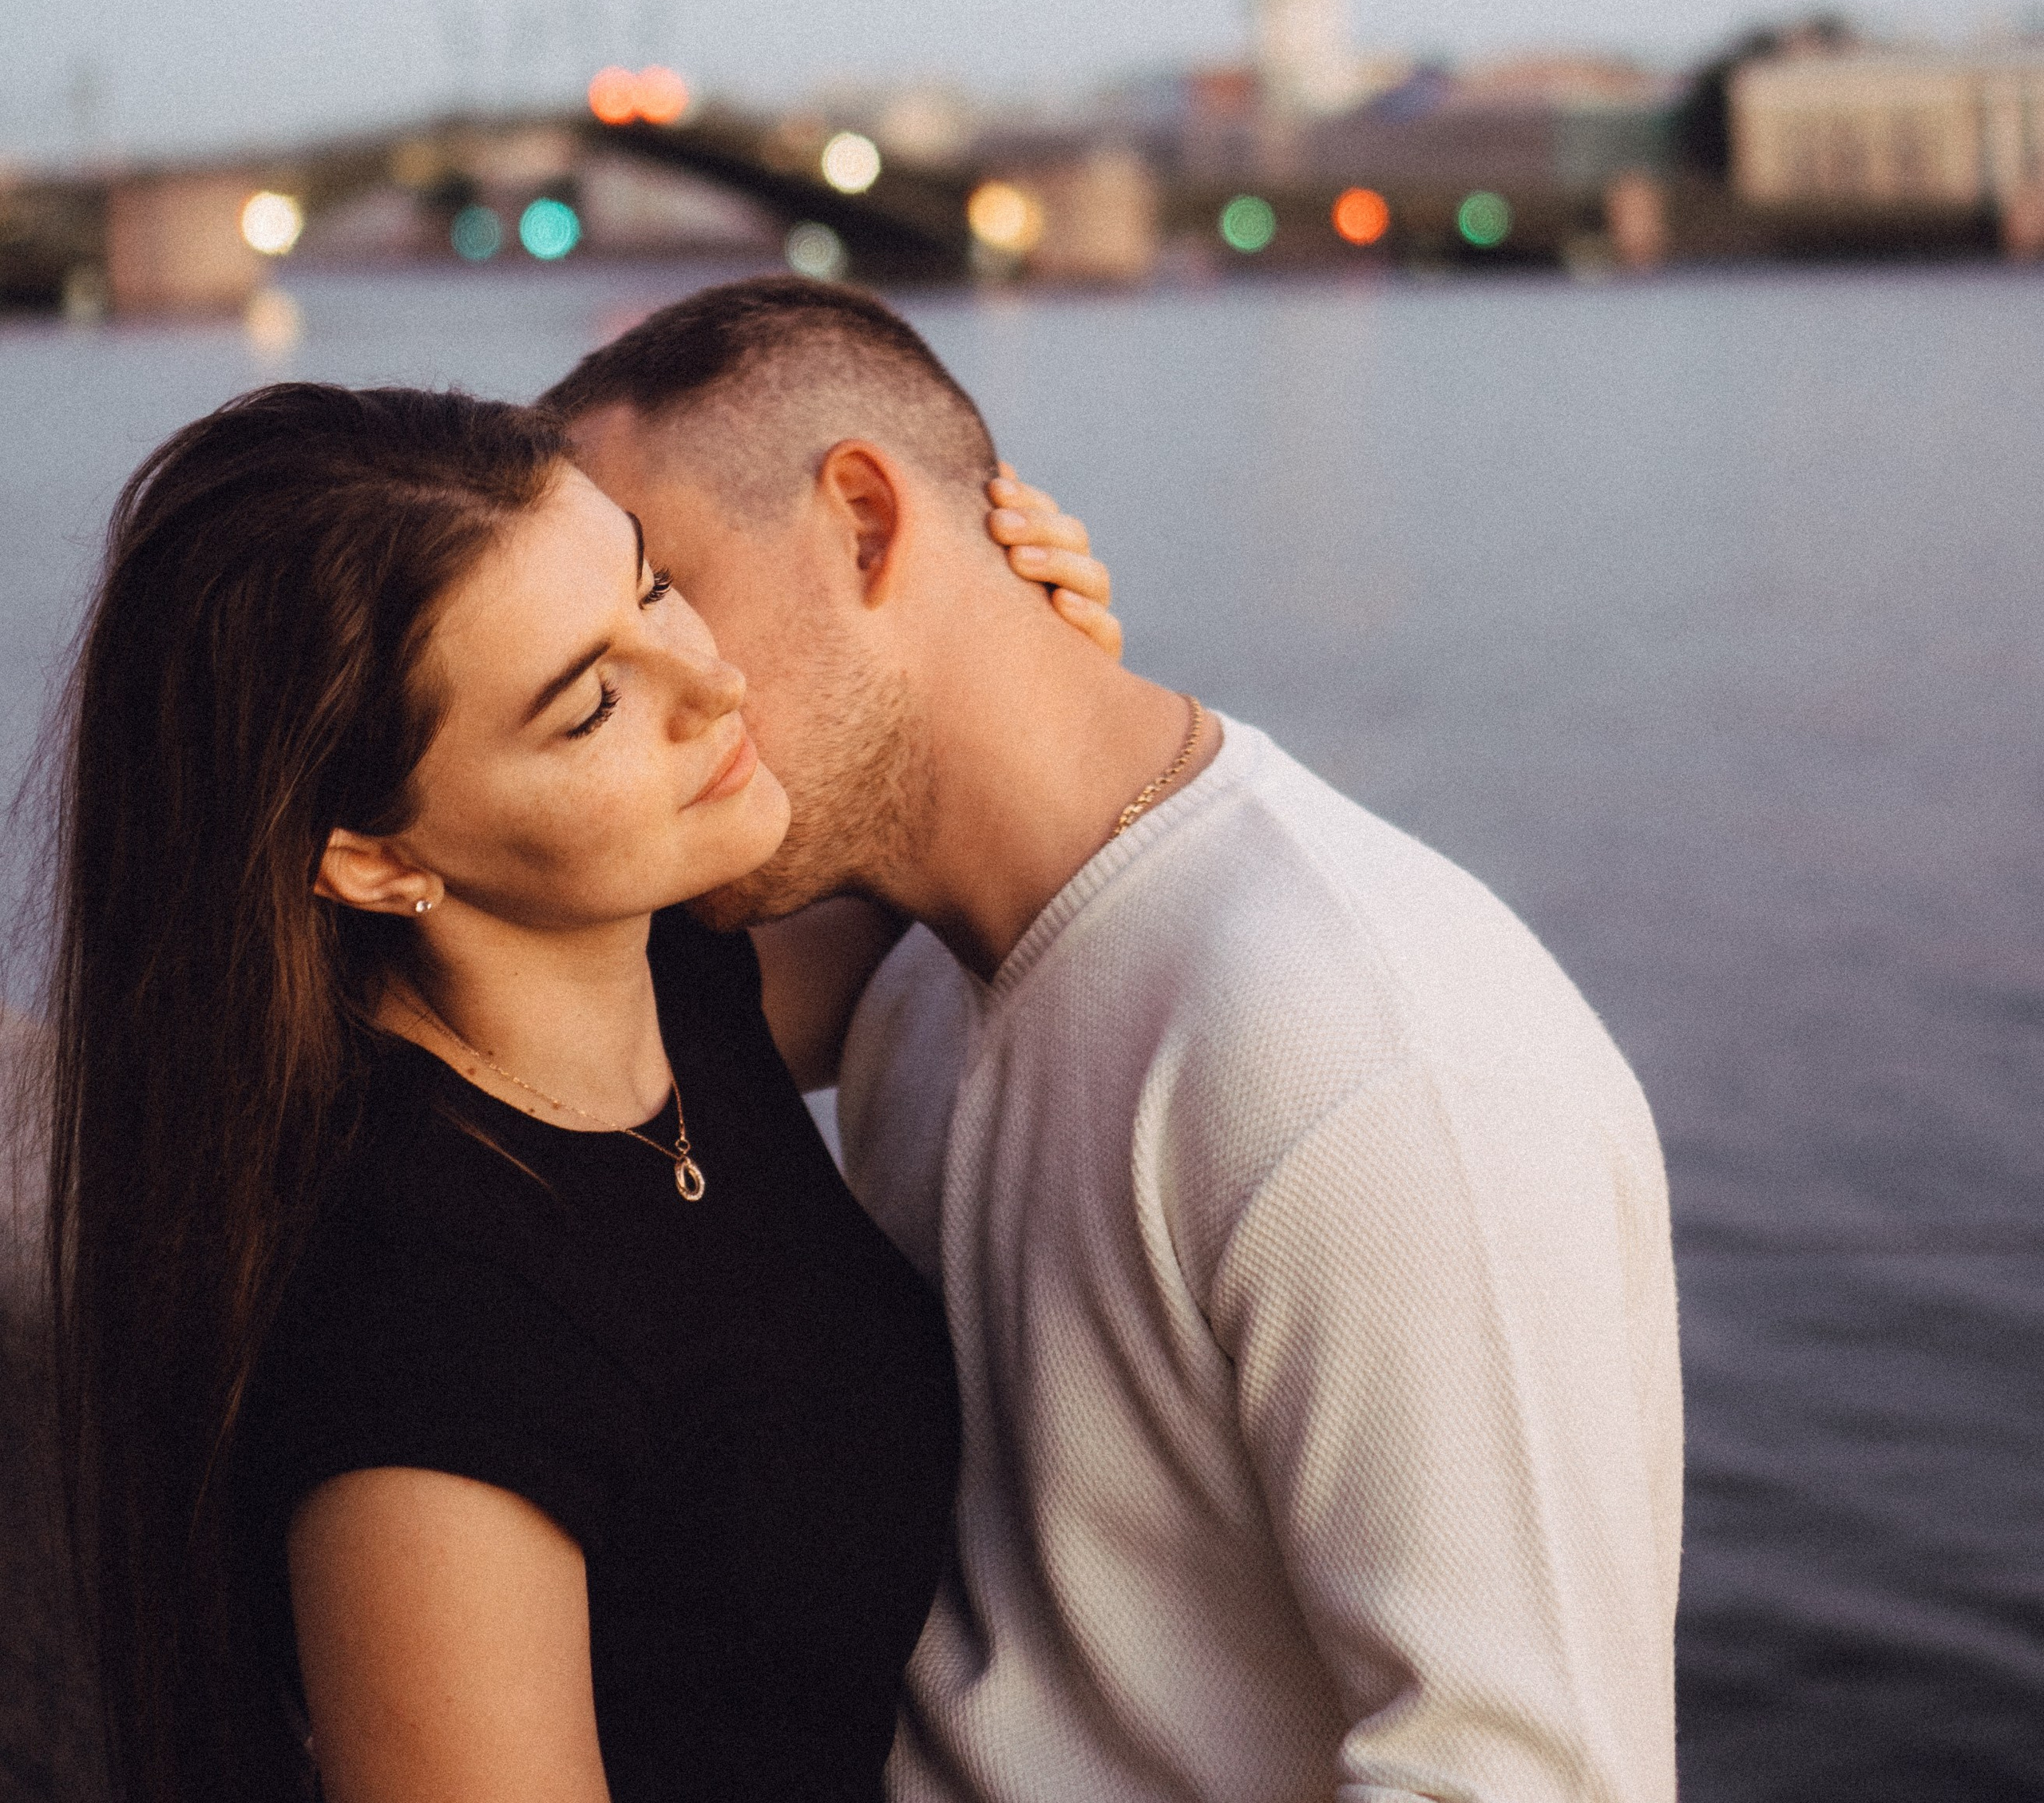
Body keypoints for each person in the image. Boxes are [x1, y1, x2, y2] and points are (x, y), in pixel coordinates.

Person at [555, 276, 1686, 1803]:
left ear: (868, 526)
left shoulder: (1366, 1046)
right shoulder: (916, 968)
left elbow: (1523, 1778)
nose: (645, 696)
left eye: (667, 591)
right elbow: (510, 1033)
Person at [43, 376, 1114, 1803]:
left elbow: (935, 868)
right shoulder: (427, 1336)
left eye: (653, 584)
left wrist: (1015, 656)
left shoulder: (668, 980)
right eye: (594, 704)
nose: (712, 683)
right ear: (370, 858)